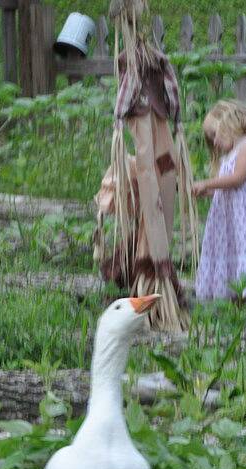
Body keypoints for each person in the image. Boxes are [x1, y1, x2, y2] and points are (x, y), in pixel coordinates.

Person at [94, 0, 197, 332]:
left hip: (154, 144)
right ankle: (153, 293)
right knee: (154, 194)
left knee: (156, 195)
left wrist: (117, 121)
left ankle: (153, 294)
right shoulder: (156, 60)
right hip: (157, 145)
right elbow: (172, 95)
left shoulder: (137, 61)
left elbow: (130, 97)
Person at [192, 99, 246, 324]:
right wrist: (210, 191)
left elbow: (237, 179)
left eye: (216, 134)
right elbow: (229, 188)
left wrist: (208, 183)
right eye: (211, 138)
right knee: (235, 266)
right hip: (231, 224)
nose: (214, 141)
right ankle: (239, 321)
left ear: (230, 124)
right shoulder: (227, 157)